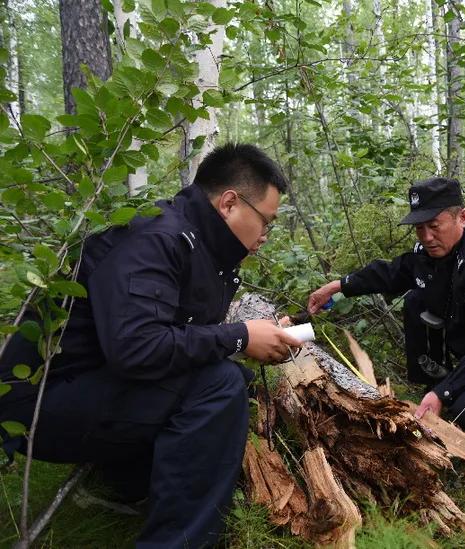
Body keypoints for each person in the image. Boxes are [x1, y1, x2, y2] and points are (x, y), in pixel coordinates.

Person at [0, 143, 302, 547]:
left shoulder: (201, 247)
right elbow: (136, 348)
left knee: (226, 379)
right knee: (219, 385)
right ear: (230, 203)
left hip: (84, 386)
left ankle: (124, 484)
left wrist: (253, 333)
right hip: (37, 406)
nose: (266, 235)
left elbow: (173, 332)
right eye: (267, 221)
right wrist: (240, 336)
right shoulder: (156, 238)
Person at [307, 177, 465, 440]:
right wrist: (338, 286)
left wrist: (445, 394)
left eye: (434, 226)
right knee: (416, 300)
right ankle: (436, 384)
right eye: (419, 228)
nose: (426, 237)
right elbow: (394, 272)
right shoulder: (433, 250)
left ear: (462, 218)